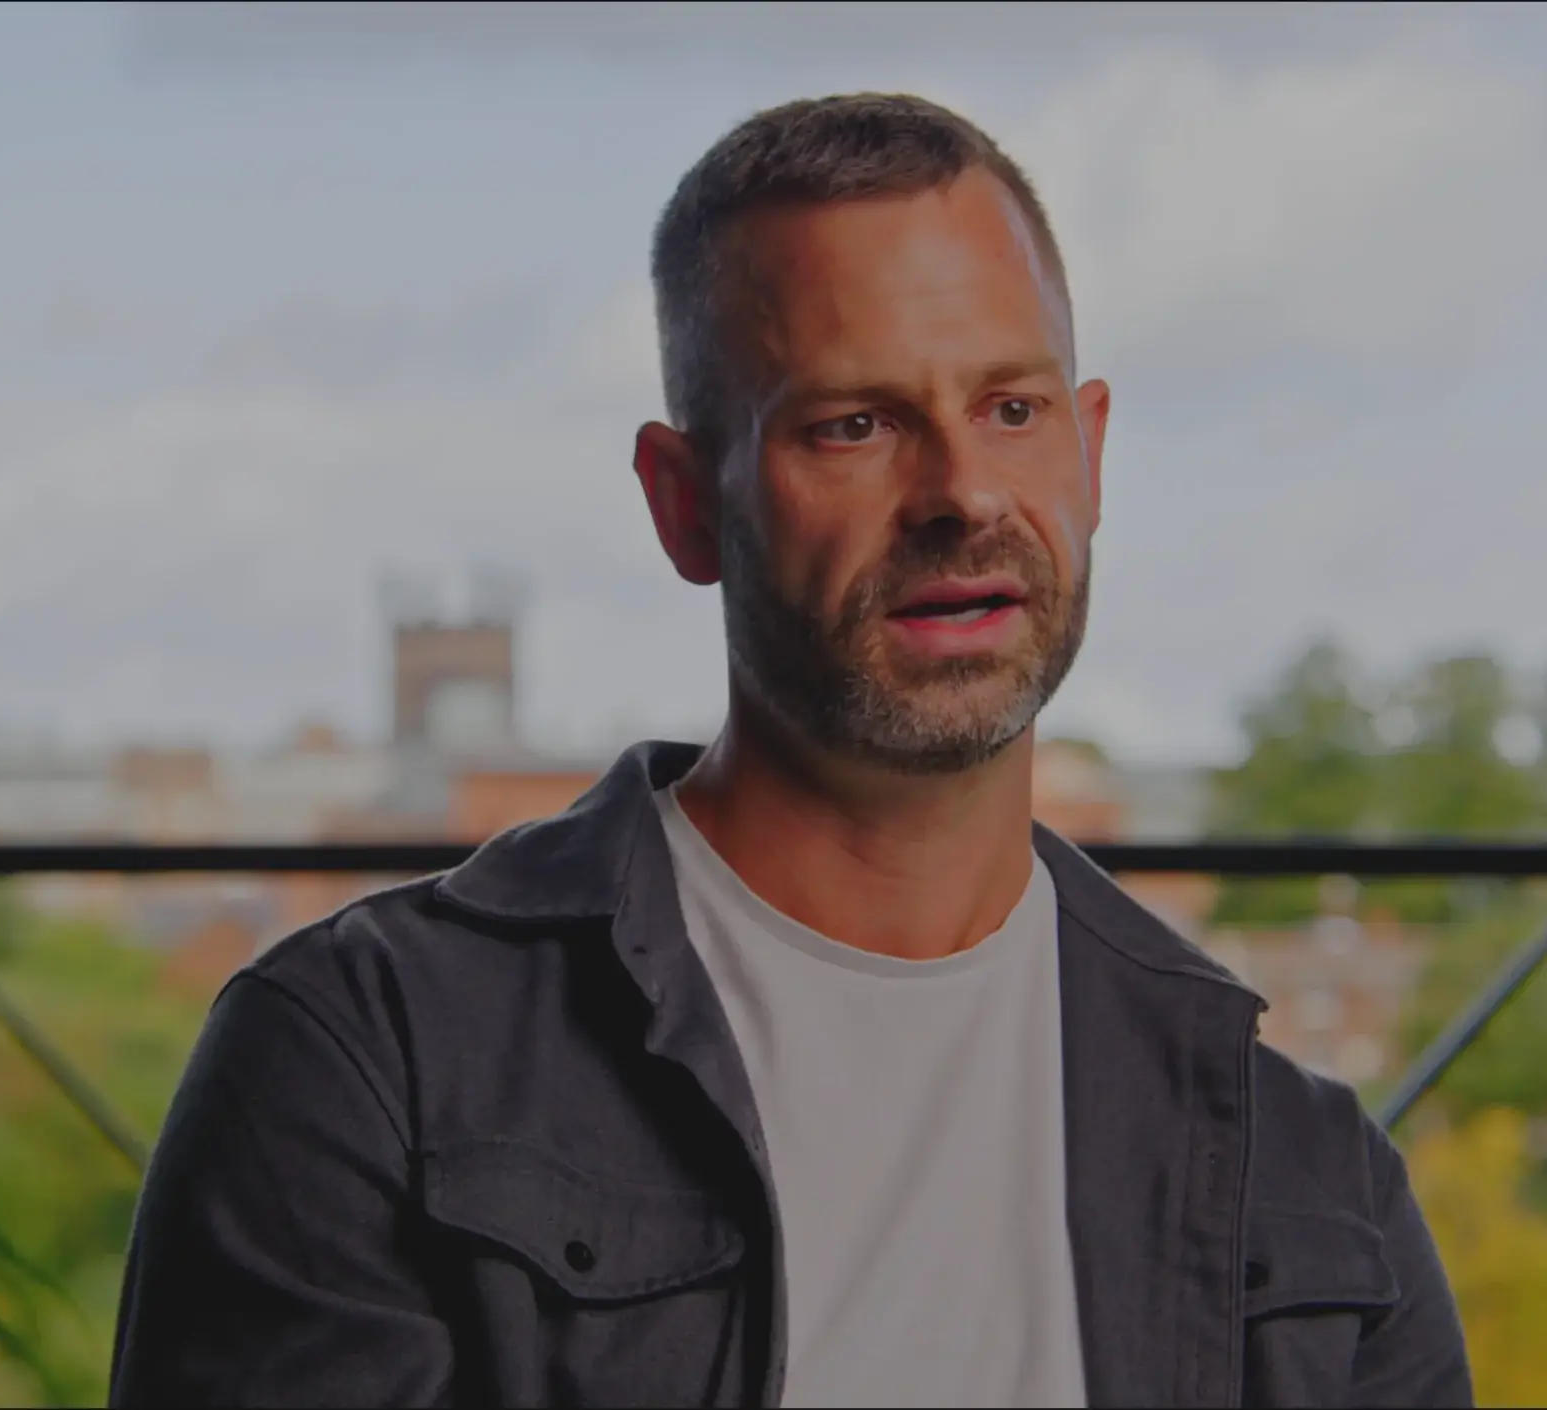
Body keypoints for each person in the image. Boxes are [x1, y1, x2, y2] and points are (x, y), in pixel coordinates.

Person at [109, 92, 1472, 1409]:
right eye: (856, 424)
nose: (963, 494)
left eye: (1012, 409)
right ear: (684, 503)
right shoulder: (365, 1069)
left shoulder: (1307, 1187)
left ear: (1092, 450)